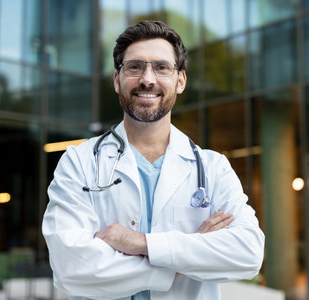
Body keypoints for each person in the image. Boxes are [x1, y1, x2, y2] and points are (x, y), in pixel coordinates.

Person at [42, 20, 265, 300]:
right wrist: (185, 257)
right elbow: (71, 268)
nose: (148, 79)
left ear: (180, 81)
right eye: (135, 67)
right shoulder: (79, 162)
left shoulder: (212, 167)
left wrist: (138, 243)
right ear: (116, 79)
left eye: (162, 67)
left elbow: (248, 253)